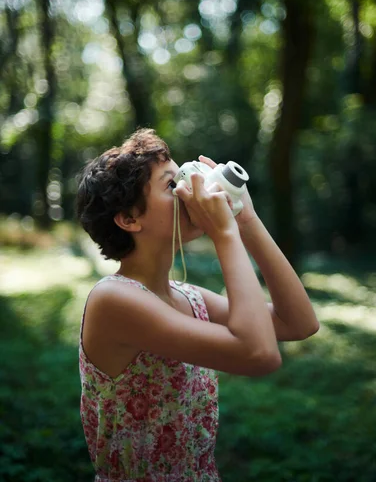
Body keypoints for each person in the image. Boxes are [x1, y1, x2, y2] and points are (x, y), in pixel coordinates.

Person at [76, 128, 319, 482]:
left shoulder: (190, 297)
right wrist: (224, 234)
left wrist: (245, 219)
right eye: (173, 184)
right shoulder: (113, 299)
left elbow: (298, 323)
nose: (192, 190)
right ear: (129, 219)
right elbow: (259, 355)